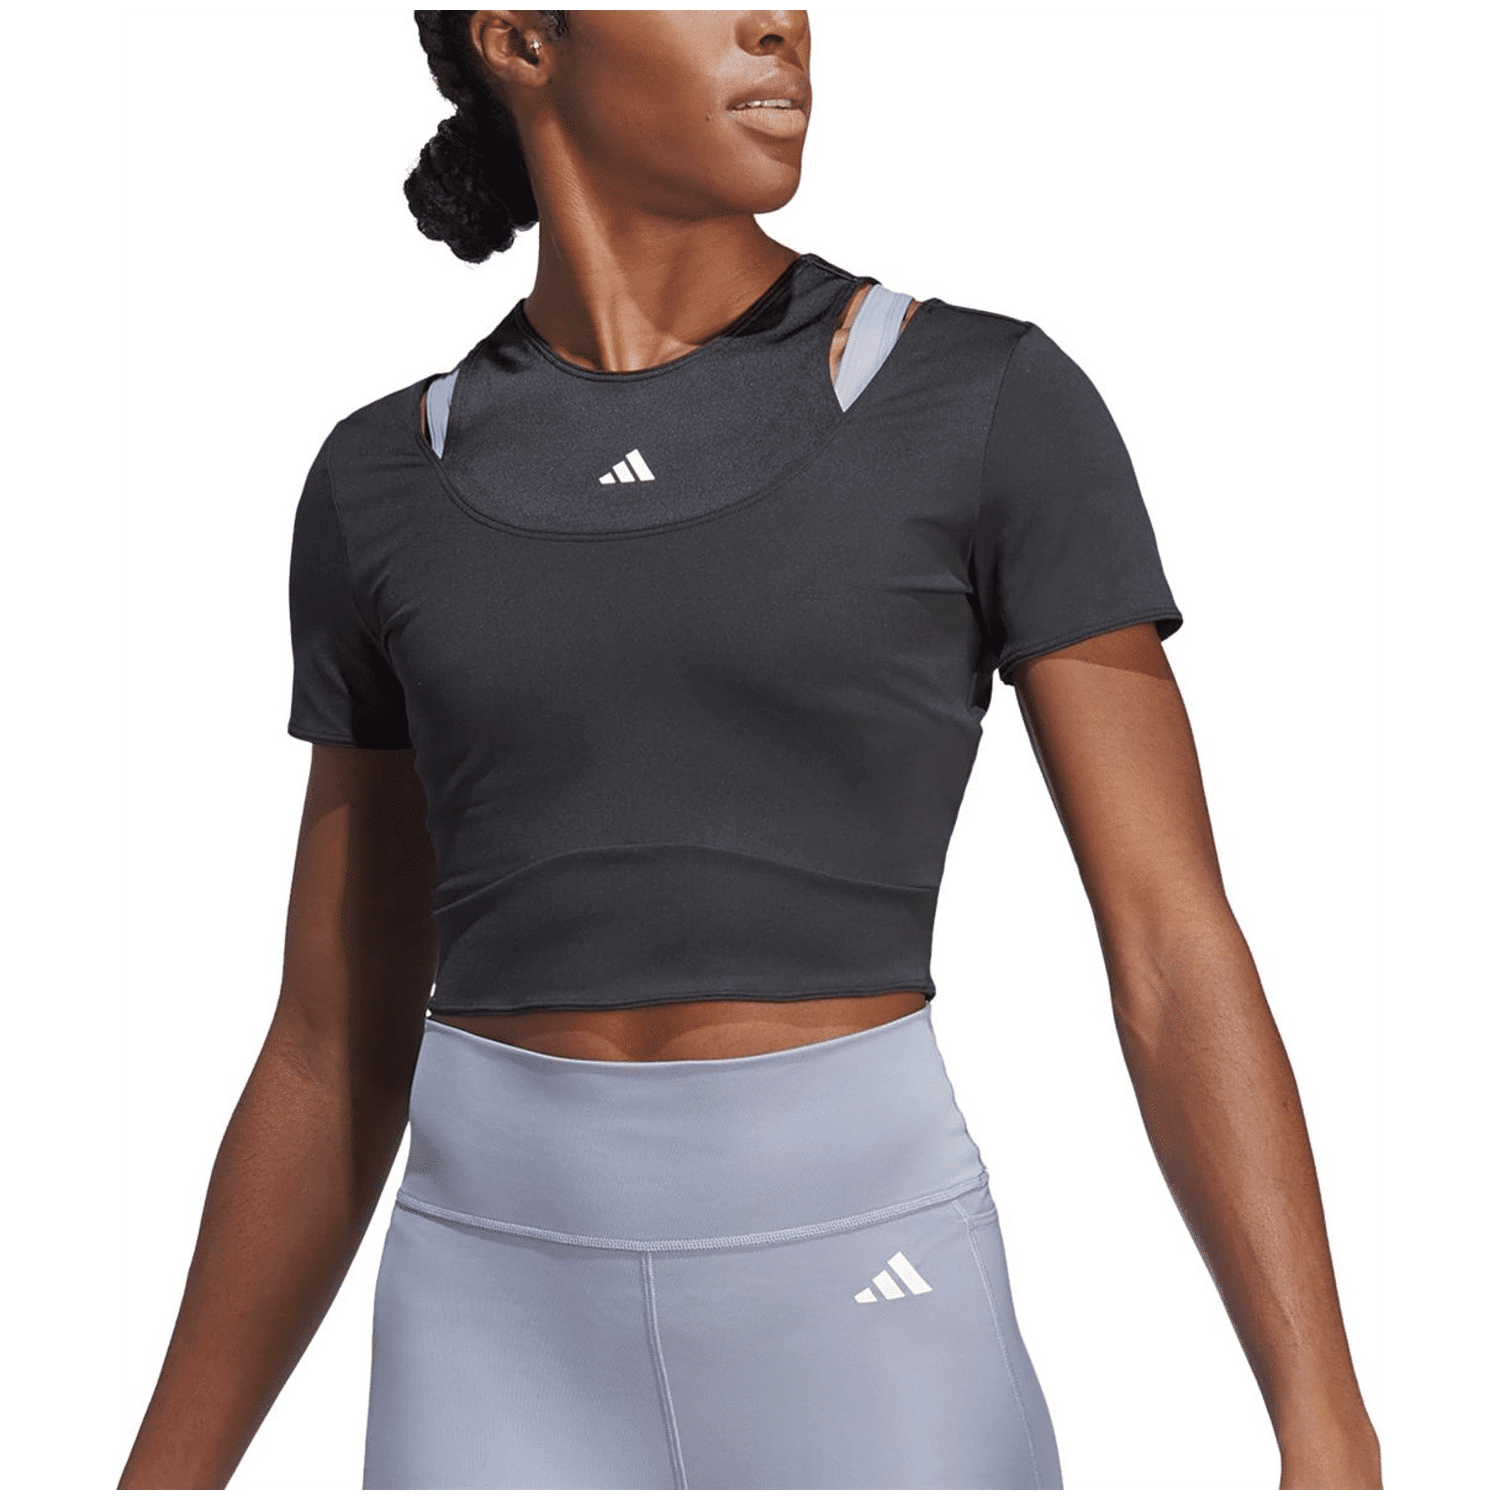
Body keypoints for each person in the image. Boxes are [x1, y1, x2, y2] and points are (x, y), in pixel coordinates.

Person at [118, 9, 1381, 1490]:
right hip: (489, 1335)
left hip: (871, 1311)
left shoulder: (978, 400)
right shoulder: (385, 478)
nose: (779, 24)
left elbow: (1170, 940)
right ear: (520, 41)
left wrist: (1325, 1422)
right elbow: (331, 1041)